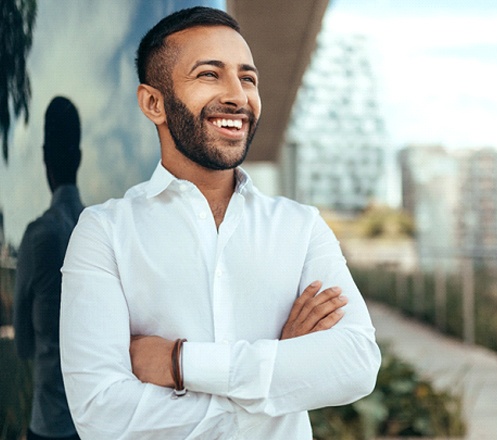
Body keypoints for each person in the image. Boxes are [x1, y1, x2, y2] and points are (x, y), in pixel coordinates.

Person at [59, 6, 380, 439]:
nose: (237, 95)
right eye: (210, 74)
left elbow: (356, 363)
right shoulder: (104, 233)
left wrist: (179, 363)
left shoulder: (301, 227)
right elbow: (102, 416)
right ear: (153, 103)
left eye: (248, 78)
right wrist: (277, 376)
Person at [14, 96, 83, 440]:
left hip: (49, 426)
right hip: (94, 424)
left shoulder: (38, 236)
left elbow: (23, 346)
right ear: (80, 159)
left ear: (45, 159)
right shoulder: (99, 231)